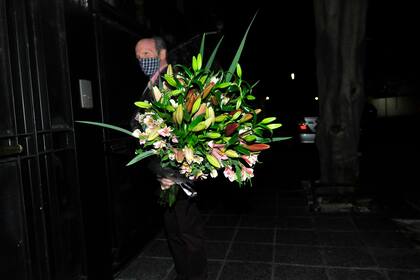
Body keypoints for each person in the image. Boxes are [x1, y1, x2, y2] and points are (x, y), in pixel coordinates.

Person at [133, 36, 208, 280]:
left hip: (180, 174)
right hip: (165, 173)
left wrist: (174, 175)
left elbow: (187, 131)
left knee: (188, 233)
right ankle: (184, 274)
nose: (141, 60)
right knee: (174, 231)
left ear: (162, 53)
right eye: (138, 56)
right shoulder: (151, 84)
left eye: (146, 54)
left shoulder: (173, 81)